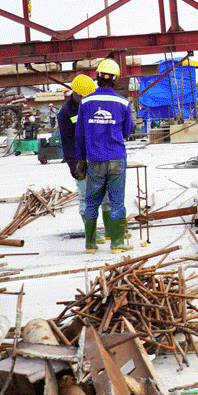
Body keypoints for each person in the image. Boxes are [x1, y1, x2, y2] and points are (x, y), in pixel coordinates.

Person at [75, 59, 135, 252]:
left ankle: (90, 244)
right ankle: (117, 244)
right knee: (117, 201)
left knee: (92, 201)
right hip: (117, 158)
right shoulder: (123, 103)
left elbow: (80, 134)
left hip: (94, 159)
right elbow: (127, 131)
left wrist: (80, 159)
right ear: (115, 80)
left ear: (98, 78)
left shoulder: (86, 102)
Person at [57, 74, 110, 247]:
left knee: (106, 196)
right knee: (86, 198)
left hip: (98, 157)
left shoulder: (93, 106)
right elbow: (67, 143)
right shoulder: (66, 113)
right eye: (84, 96)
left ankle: (111, 232)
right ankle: (92, 236)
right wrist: (74, 167)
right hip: (81, 160)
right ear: (76, 93)